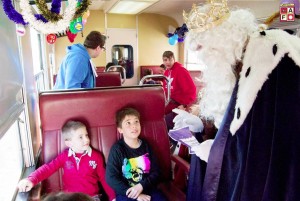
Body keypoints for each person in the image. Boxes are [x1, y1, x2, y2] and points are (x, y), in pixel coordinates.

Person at [173, 2, 300, 201]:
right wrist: (200, 122)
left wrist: (215, 152)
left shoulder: (270, 59)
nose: (204, 59)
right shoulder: (244, 55)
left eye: (203, 48)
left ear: (221, 40)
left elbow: (258, 150)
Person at [17, 120, 116, 201]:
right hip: (70, 198)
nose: (86, 140)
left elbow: (104, 178)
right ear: (69, 143)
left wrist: (113, 197)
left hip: (91, 198)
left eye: (86, 135)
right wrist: (31, 179)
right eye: (80, 137)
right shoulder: (65, 157)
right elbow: (48, 168)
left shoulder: (96, 156)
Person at [106, 107, 167, 201]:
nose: (134, 126)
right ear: (120, 130)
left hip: (147, 188)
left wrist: (142, 186)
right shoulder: (117, 149)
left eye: (136, 121)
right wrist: (134, 194)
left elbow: (156, 171)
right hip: (126, 192)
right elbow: (111, 178)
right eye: (128, 123)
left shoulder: (146, 145)